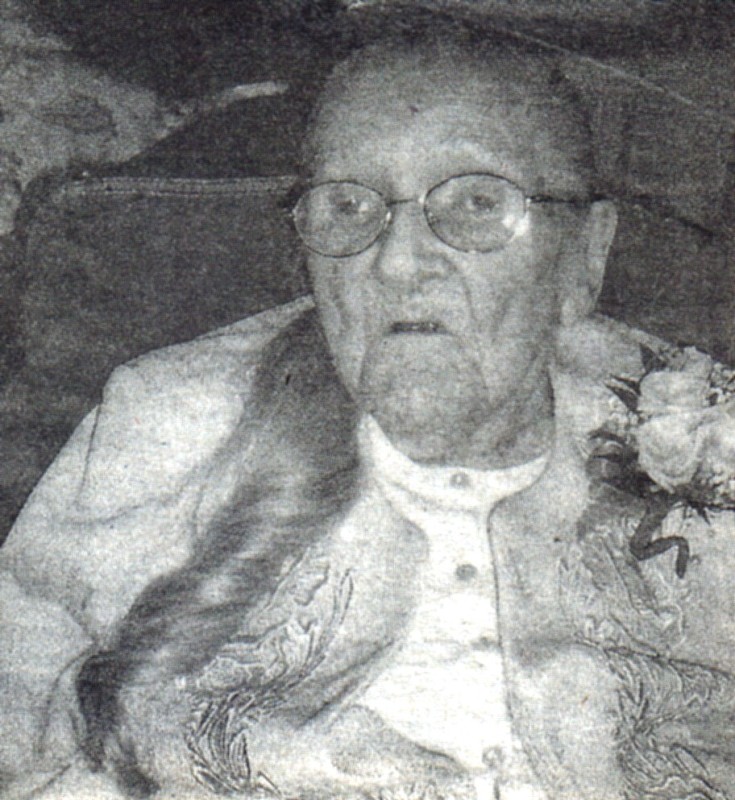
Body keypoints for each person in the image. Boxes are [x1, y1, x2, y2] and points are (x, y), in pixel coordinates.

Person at [2, 12, 735, 800]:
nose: (397, 261)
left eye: (476, 204)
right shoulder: (172, 420)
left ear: (583, 258)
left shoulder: (700, 429)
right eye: (349, 206)